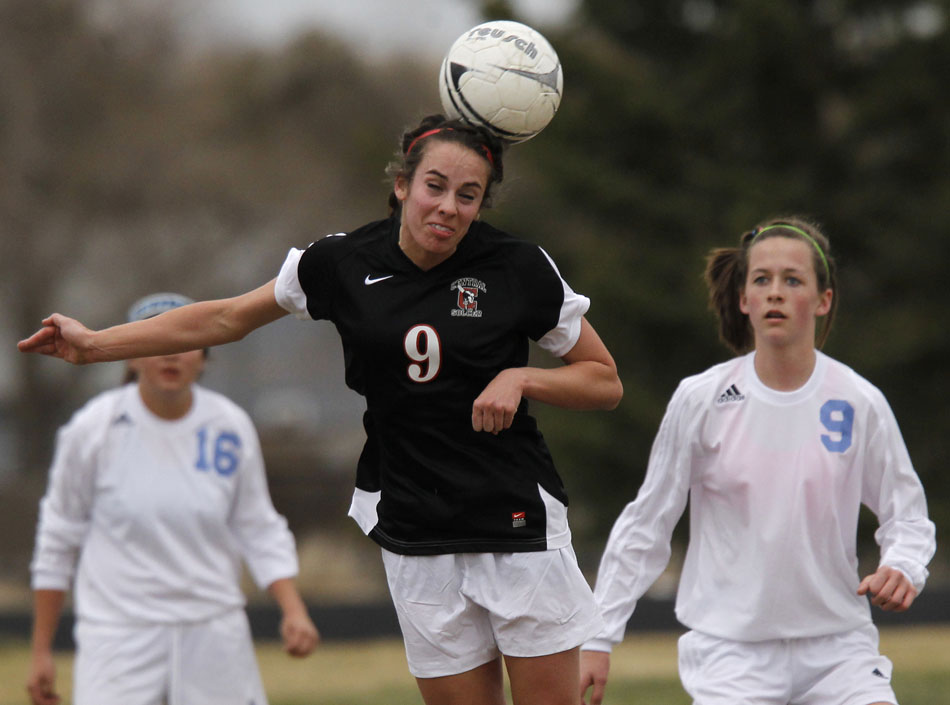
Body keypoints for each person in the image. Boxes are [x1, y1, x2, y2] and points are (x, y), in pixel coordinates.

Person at [19, 115, 624, 705]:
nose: (448, 207)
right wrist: (95, 344)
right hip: (415, 525)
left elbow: (603, 381)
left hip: (514, 520)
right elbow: (224, 317)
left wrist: (521, 378)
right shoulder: (341, 262)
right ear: (402, 185)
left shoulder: (517, 266)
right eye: (435, 187)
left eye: (468, 196)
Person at [578, 217, 936, 705]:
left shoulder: (859, 401)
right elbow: (647, 523)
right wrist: (599, 637)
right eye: (762, 280)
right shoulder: (700, 399)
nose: (775, 293)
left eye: (793, 280)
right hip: (730, 655)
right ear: (744, 298)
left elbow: (907, 515)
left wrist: (903, 565)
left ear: (823, 299)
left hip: (839, 652)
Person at [26, 293, 319, 705]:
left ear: (205, 357)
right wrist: (41, 651)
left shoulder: (229, 427)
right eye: (155, 342)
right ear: (129, 355)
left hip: (213, 632)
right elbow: (58, 539)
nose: (171, 355)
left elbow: (257, 525)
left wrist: (293, 610)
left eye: (184, 343)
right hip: (119, 637)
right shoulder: (92, 429)